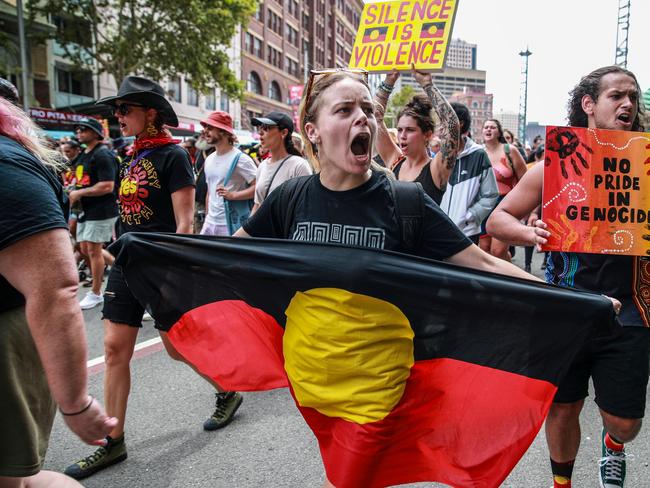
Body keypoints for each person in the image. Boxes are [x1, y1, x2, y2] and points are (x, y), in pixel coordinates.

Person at [231, 69, 555, 486]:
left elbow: (485, 263)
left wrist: (570, 298)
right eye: (345, 109)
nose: (362, 117)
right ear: (312, 130)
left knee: (351, 479)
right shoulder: (290, 198)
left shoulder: (404, 201)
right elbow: (230, 255)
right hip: (310, 382)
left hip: (377, 385)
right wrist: (149, 254)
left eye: (367, 109)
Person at [64, 76, 241, 480]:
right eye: (117, 110)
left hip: (161, 266)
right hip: (128, 263)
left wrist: (176, 271)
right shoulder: (128, 155)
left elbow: (183, 223)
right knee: (113, 348)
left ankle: (227, 390)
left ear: (150, 114)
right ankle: (113, 440)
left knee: (177, 348)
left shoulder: (173, 157)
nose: (118, 116)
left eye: (125, 109)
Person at [486, 65, 647, 488]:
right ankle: (563, 484)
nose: (628, 103)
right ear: (589, 104)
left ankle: (614, 446)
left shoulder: (646, 166)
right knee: (562, 407)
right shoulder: (554, 165)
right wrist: (528, 231)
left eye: (633, 96)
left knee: (626, 422)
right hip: (565, 307)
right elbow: (497, 220)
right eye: (616, 95)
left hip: (630, 307)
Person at [0, 96, 115, 488]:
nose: (78, 136)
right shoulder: (77, 156)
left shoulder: (6, 163)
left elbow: (55, 288)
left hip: (11, 328)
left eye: (84, 131)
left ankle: (101, 287)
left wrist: (76, 403)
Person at [374, 68, 460, 205]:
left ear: (427, 135)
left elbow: (452, 126)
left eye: (409, 130)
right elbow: (375, 118)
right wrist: (388, 83)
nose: (402, 136)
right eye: (400, 129)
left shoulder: (436, 168)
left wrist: (427, 85)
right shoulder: (395, 161)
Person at [69, 118, 119, 309]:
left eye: (84, 129)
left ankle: (96, 293)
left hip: (102, 210)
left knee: (93, 250)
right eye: (78, 129)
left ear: (97, 133)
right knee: (84, 248)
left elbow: (107, 186)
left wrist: (79, 193)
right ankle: (121, 268)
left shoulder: (103, 154)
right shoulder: (84, 154)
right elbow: (83, 180)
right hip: (86, 210)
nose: (79, 132)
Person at [439, 103, 499, 244]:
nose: (440, 127)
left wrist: (470, 216)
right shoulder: (438, 156)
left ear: (459, 123)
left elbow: (490, 194)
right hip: (438, 230)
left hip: (467, 232)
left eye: (444, 121)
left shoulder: (478, 155)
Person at [199, 111, 256, 236]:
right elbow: (210, 192)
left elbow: (259, 188)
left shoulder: (241, 159)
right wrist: (208, 217)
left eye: (210, 128)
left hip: (231, 224)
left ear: (223, 131)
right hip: (210, 223)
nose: (205, 131)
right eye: (205, 128)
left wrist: (233, 195)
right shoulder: (209, 159)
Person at [480, 118, 527, 261]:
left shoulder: (510, 151)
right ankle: (492, 281)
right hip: (483, 205)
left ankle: (508, 277)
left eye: (492, 127)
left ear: (499, 131)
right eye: (486, 127)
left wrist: (528, 210)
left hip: (505, 205)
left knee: (498, 251)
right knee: (484, 249)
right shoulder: (478, 153)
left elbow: (525, 180)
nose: (488, 129)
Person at [250, 111, 311, 212]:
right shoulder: (262, 165)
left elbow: (305, 207)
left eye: (266, 128)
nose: (260, 132)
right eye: (260, 128)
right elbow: (257, 205)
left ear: (283, 133)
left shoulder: (299, 165)